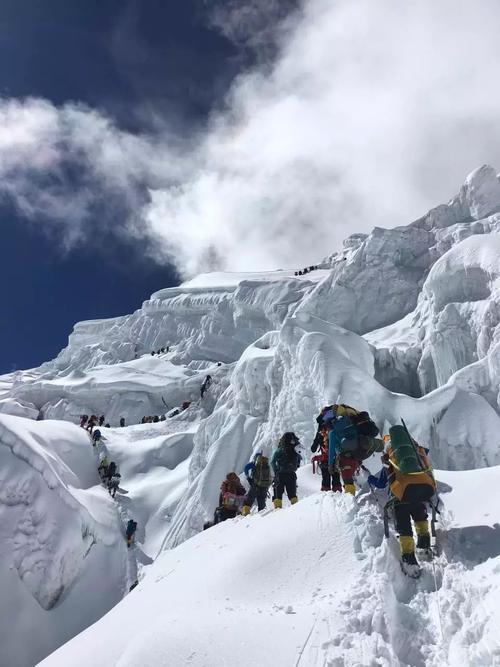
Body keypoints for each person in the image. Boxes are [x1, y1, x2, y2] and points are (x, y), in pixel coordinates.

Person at [368, 424, 436, 577]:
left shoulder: (391, 458)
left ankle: (410, 559)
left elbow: (382, 483)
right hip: (421, 493)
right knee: (420, 517)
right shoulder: (417, 451)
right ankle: (424, 546)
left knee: (404, 528)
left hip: (400, 496)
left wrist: (370, 479)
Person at [318, 404, 383, 496]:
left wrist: (330, 465)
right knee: (351, 473)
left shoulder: (333, 431)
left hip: (347, 456)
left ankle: (350, 499)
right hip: (362, 451)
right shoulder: (351, 421)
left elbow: (332, 450)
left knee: (347, 479)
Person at [271, 432, 301, 508]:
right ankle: (296, 509)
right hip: (291, 474)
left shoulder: (280, 450)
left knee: (278, 495)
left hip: (280, 475)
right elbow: (298, 460)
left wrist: (276, 470)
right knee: (292, 495)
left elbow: (272, 462)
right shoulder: (295, 450)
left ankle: (277, 511)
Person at [311, 425, 342, 492]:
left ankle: (326, 496)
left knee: (325, 481)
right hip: (336, 459)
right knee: (336, 480)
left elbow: (313, 449)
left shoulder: (320, 434)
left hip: (324, 460)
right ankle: (338, 496)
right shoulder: (334, 430)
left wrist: (317, 438)